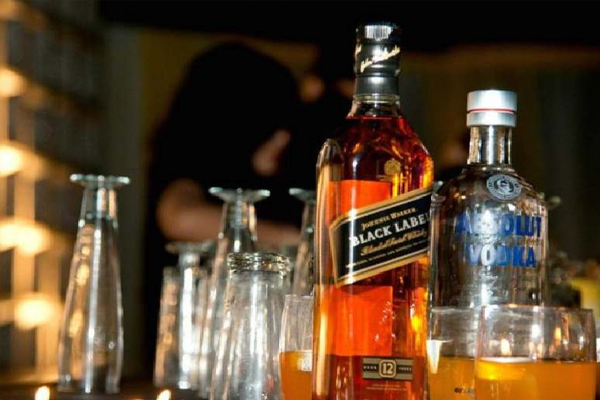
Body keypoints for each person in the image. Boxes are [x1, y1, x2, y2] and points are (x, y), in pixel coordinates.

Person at [144, 43, 312, 370]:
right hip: (193, 363)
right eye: (272, 121)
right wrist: (292, 239)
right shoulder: (187, 168)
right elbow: (180, 217)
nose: (283, 138)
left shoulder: (274, 180)